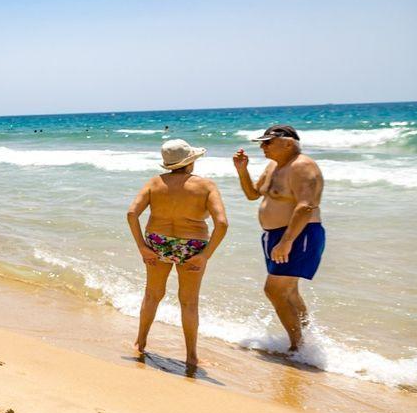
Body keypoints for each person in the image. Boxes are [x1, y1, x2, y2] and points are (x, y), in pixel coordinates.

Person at [126, 139, 228, 369]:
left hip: (157, 243)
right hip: (192, 246)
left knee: (153, 295)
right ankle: (191, 356)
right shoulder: (206, 186)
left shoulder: (154, 183)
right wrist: (205, 256)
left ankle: (139, 343)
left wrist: (142, 246)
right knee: (189, 302)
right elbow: (222, 223)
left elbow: (132, 213)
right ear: (190, 162)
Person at [233, 125, 325, 351]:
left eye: (267, 142)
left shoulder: (302, 166)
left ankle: (297, 348)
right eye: (261, 143)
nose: (262, 147)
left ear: (287, 143)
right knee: (289, 292)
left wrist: (286, 241)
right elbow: (253, 194)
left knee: (274, 290)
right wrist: (242, 170)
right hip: (275, 236)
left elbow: (306, 206)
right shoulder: (273, 165)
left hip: (297, 234)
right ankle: (306, 343)